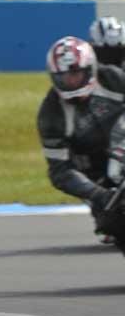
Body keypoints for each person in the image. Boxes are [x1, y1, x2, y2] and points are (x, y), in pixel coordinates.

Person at [38, 36, 125, 244]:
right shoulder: (51, 114)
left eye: (75, 74)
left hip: (122, 143)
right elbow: (59, 170)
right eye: (64, 76)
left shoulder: (112, 79)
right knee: (111, 222)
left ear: (90, 68)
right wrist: (99, 194)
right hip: (95, 169)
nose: (70, 81)